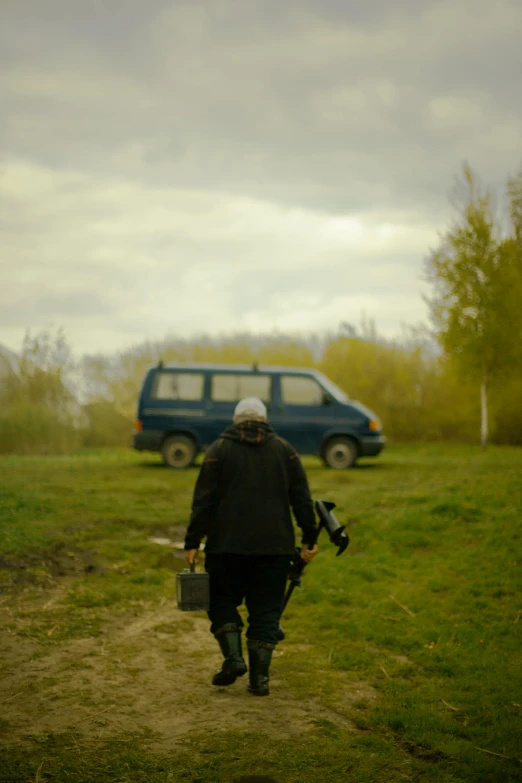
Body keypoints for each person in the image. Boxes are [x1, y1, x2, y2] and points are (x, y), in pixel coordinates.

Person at [184, 396, 319, 696]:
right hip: (275, 550)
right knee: (266, 612)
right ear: (264, 420)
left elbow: (203, 500)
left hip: (225, 548)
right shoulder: (285, 451)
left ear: (236, 421)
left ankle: (233, 659)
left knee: (220, 601)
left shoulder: (218, 450)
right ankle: (260, 681)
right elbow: (302, 498)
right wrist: (309, 537)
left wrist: (193, 541)